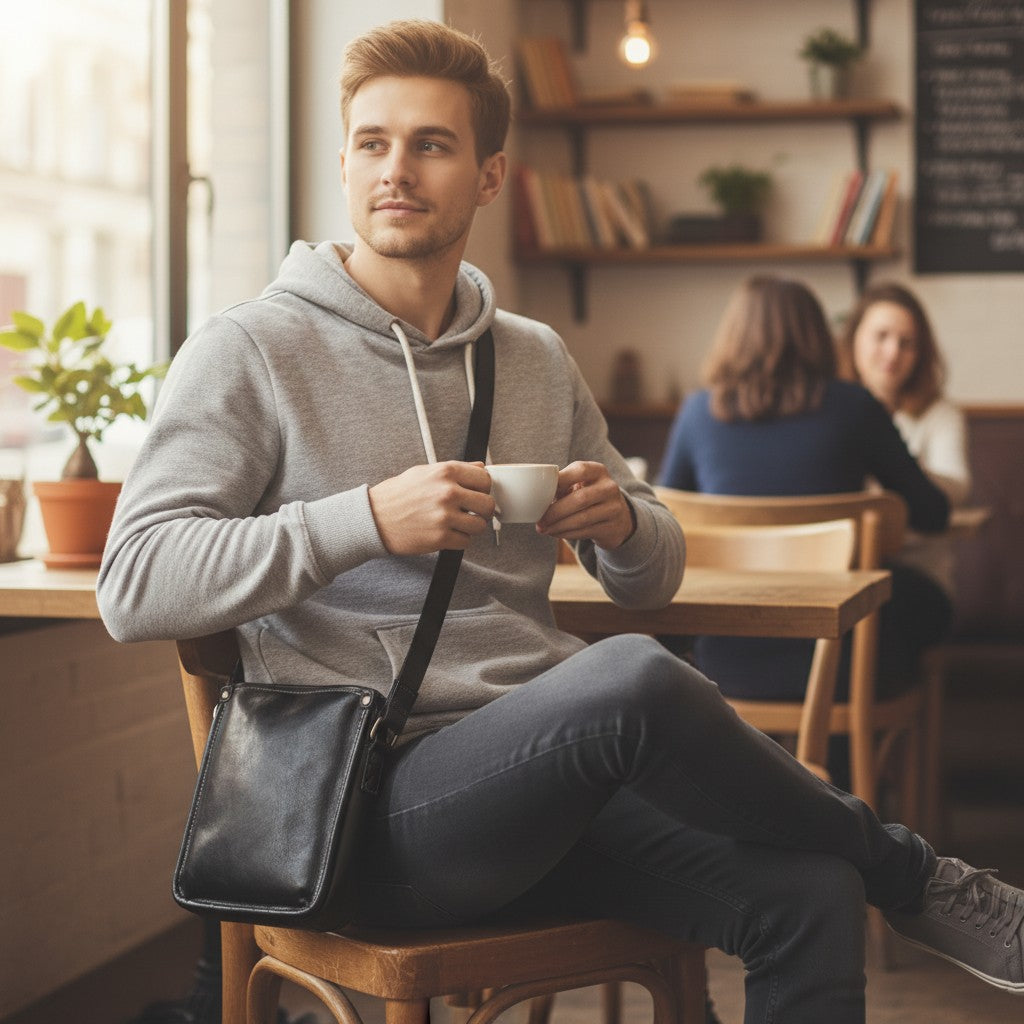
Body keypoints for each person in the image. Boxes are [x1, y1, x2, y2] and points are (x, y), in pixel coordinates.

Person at [96, 22, 1024, 1024]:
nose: (395, 170)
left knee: (806, 894)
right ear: (342, 159)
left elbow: (653, 574)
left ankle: (876, 872)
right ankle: (914, 875)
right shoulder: (249, 350)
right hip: (366, 814)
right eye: (373, 142)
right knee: (629, 675)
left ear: (490, 177)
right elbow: (134, 582)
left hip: (548, 791)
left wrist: (623, 523)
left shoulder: (533, 356)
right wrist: (361, 518)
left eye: (431, 145)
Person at [657, 275, 952, 708]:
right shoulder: (855, 406)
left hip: (721, 658)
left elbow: (662, 523)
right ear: (817, 336)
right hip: (841, 658)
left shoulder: (697, 413)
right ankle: (869, 764)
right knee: (927, 606)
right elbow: (933, 513)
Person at [836, 281, 972, 669]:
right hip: (838, 570)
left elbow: (956, 488)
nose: (892, 352)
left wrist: (892, 463)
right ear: (855, 339)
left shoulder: (939, 415)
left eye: (906, 342)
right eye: (881, 336)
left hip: (915, 574)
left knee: (869, 611)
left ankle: (860, 723)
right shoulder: (834, 412)